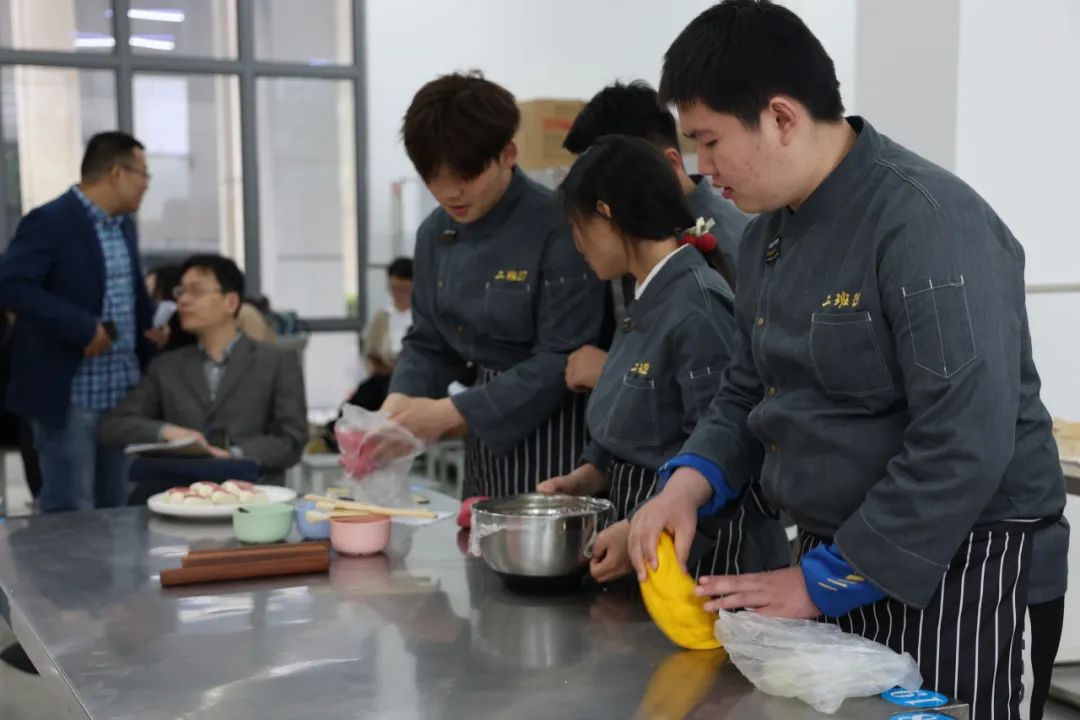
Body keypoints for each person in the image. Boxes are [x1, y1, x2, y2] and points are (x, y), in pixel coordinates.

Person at [626, 3, 1067, 719]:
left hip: (966, 572)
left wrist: (821, 582)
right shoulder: (767, 236)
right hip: (838, 563)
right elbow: (747, 388)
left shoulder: (929, 226)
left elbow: (963, 443)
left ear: (780, 117)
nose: (703, 169)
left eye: (709, 141)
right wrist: (688, 484)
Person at [536, 135, 787, 583]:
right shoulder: (649, 294)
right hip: (652, 534)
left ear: (606, 213)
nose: (576, 244)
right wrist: (586, 478)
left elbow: (724, 446)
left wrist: (639, 526)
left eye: (578, 225)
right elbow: (644, 422)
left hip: (708, 555)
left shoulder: (698, 306)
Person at [383, 72, 606, 498]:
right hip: (482, 434)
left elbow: (563, 357)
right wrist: (400, 400)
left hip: (559, 432)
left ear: (508, 153)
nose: (450, 193)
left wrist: (450, 412)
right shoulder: (435, 233)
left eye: (465, 174)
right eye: (433, 177)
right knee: (481, 541)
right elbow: (430, 341)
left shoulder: (559, 226)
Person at [0, 131, 164, 513]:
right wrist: (81, 326)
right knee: (71, 509)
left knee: (119, 507)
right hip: (69, 395)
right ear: (116, 173)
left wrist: (151, 327)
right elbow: (10, 284)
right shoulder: (50, 221)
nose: (146, 186)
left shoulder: (122, 225)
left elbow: (129, 293)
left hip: (121, 390)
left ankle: (118, 577)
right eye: (144, 175)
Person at [561, 81, 753, 394]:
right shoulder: (630, 231)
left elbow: (731, 388)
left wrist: (613, 370)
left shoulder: (733, 246)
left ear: (669, 164)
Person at [100, 255, 308, 485]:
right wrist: (168, 432)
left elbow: (292, 440)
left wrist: (232, 455)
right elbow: (114, 425)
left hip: (254, 498)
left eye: (196, 291)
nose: (183, 301)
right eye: (180, 292)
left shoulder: (276, 361)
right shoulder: (166, 366)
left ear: (230, 302)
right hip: (179, 499)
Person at [351, 257, 415, 411]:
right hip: (383, 377)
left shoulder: (421, 318)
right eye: (394, 288)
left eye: (404, 289)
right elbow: (370, 354)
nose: (399, 294)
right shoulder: (382, 317)